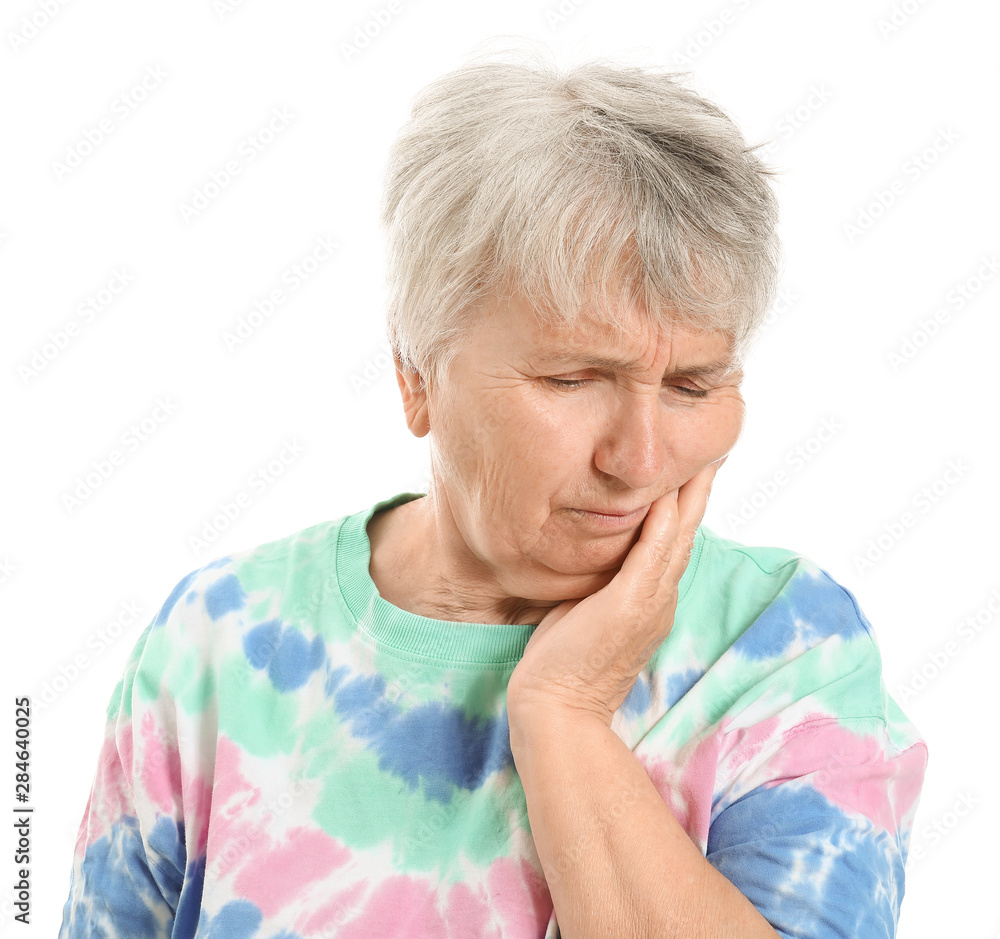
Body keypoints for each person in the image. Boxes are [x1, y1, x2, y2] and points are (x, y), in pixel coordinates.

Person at [59, 44, 928, 938]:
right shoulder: (221, 638)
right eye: (572, 379)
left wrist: (565, 716)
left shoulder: (784, 648)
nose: (638, 459)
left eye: (691, 385)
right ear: (416, 371)